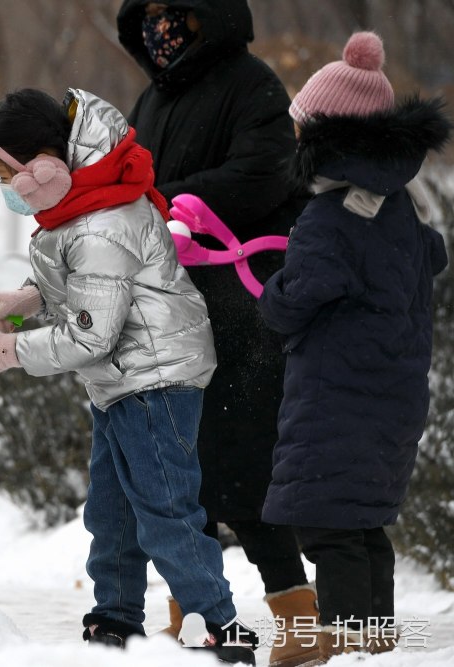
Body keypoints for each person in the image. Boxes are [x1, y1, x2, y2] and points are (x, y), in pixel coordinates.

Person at [0, 87, 257, 665]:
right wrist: (25, 301)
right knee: (112, 511)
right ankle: (114, 621)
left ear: (44, 169)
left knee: (165, 511)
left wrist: (11, 352)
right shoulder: (82, 206)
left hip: (153, 381)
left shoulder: (101, 222)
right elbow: (87, 293)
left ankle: (223, 629)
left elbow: (90, 333)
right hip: (120, 381)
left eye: (8, 175)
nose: (8, 190)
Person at [115, 2, 317, 664]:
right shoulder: (150, 98)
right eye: (148, 15)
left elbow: (264, 174)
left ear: (211, 16)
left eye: (175, 15)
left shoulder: (251, 83)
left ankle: (300, 617)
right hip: (165, 309)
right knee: (178, 471)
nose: (159, 29)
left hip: (240, 308)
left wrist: (164, 201)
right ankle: (195, 621)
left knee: (246, 467)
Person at [258, 31, 450, 662]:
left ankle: (340, 634)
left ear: (325, 140)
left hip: (338, 396)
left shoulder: (328, 217)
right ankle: (374, 631)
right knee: (361, 519)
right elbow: (432, 255)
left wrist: (272, 296)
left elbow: (301, 295)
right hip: (391, 396)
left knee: (326, 520)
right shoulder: (397, 206)